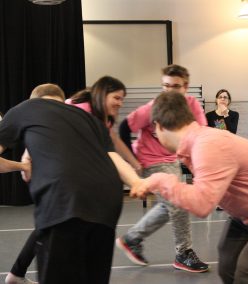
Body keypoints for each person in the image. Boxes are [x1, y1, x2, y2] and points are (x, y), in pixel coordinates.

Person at [130, 91, 248, 284]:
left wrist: (159, 180)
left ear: (158, 126)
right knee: (228, 266)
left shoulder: (206, 145)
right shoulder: (196, 143)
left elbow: (201, 204)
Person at [0, 83, 142, 284]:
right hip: (107, 203)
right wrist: (136, 182)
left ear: (35, 99)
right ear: (61, 99)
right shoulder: (89, 119)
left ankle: (16, 275)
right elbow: (113, 158)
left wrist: (22, 166)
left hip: (63, 196)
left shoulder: (25, 108)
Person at [116, 64, 209, 273]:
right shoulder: (153, 107)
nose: (169, 91)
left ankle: (131, 239)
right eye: (165, 86)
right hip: (151, 160)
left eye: (175, 86)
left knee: (169, 206)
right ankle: (183, 253)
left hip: (173, 158)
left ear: (185, 87)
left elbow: (201, 133)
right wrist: (132, 162)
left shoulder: (192, 105)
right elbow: (124, 127)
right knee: (178, 201)